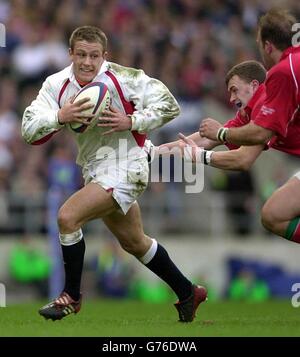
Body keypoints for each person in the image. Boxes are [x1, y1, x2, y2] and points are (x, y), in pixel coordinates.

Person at [21, 26, 207, 322]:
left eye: (94, 56)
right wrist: (60, 116)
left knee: (67, 217)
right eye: (81, 54)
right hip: (96, 168)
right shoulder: (55, 85)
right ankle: (188, 292)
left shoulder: (125, 77)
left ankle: (71, 296)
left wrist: (132, 120)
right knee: (135, 242)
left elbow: (170, 106)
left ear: (104, 56)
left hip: (129, 165)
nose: (87, 62)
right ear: (70, 54)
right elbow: (28, 130)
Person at [199, 8, 300, 243]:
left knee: (274, 215)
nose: (232, 98)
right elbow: (207, 137)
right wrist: (156, 151)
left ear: (267, 46)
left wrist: (219, 135)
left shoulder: (283, 72)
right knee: (274, 213)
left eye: (235, 90)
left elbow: (254, 142)